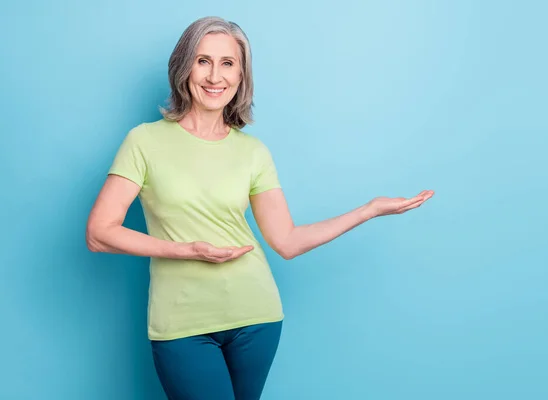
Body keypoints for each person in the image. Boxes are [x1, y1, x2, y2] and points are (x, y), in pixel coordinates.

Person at [86, 16, 434, 400]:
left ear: (241, 76)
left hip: (256, 316)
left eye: (228, 63)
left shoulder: (253, 152)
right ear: (183, 67)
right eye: (203, 61)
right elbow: (100, 232)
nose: (214, 76)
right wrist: (185, 250)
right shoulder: (144, 142)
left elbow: (286, 240)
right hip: (181, 323)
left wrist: (367, 210)